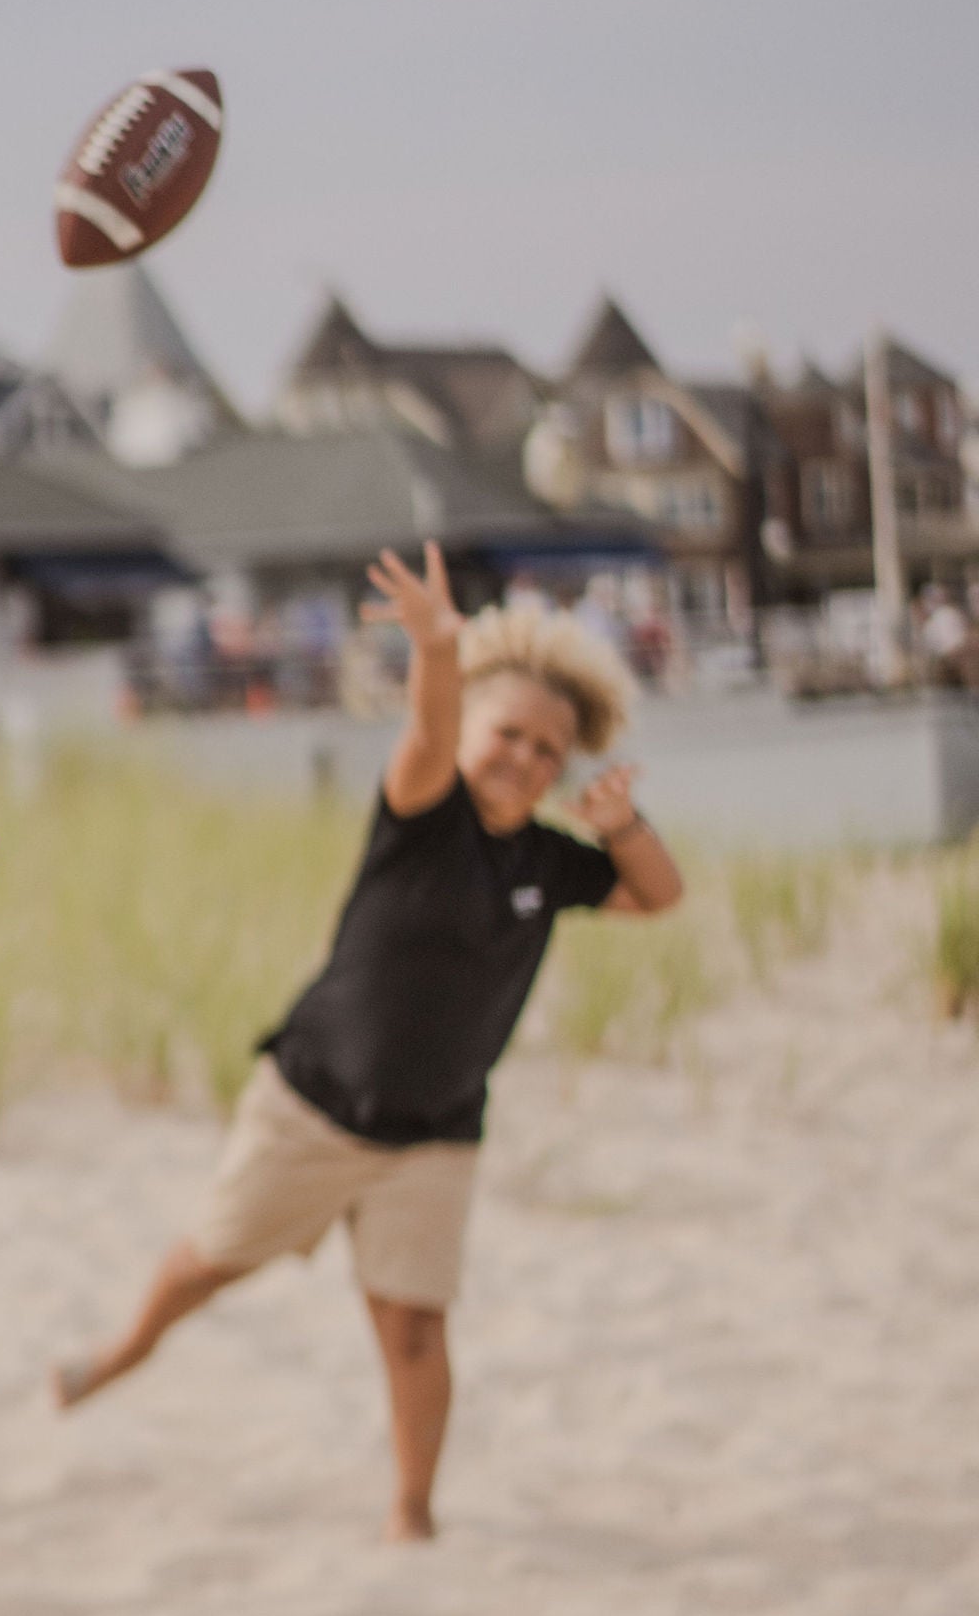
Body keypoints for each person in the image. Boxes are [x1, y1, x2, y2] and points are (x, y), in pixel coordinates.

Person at [53, 541, 681, 1539]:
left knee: (413, 1331)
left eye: (544, 751)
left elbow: (656, 896)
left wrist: (623, 826)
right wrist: (436, 646)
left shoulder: (551, 864)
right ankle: (124, 1349)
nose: (520, 757)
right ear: (469, 723)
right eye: (505, 732)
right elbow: (428, 728)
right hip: (310, 1103)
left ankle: (411, 1513)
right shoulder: (420, 814)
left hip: (432, 1134)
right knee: (210, 1260)